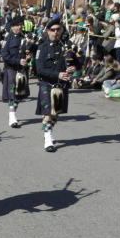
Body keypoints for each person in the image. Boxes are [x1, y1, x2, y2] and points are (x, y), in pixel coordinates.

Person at [35, 19, 75, 152]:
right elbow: (39, 69)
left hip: (62, 85)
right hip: (47, 83)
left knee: (55, 114)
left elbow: (76, 62)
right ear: (48, 31)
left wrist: (72, 68)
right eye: (53, 30)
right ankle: (48, 138)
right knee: (48, 113)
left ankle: (47, 130)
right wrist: (57, 74)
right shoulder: (42, 47)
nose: (56, 32)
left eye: (58, 29)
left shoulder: (66, 46)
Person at [1, 16, 29, 128]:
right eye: (18, 25)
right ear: (12, 26)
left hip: (22, 70)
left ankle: (13, 111)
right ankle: (12, 115)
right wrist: (18, 61)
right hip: (11, 69)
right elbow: (5, 56)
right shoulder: (7, 39)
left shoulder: (24, 37)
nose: (20, 26)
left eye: (21, 24)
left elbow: (29, 51)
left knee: (19, 94)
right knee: (12, 93)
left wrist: (29, 56)